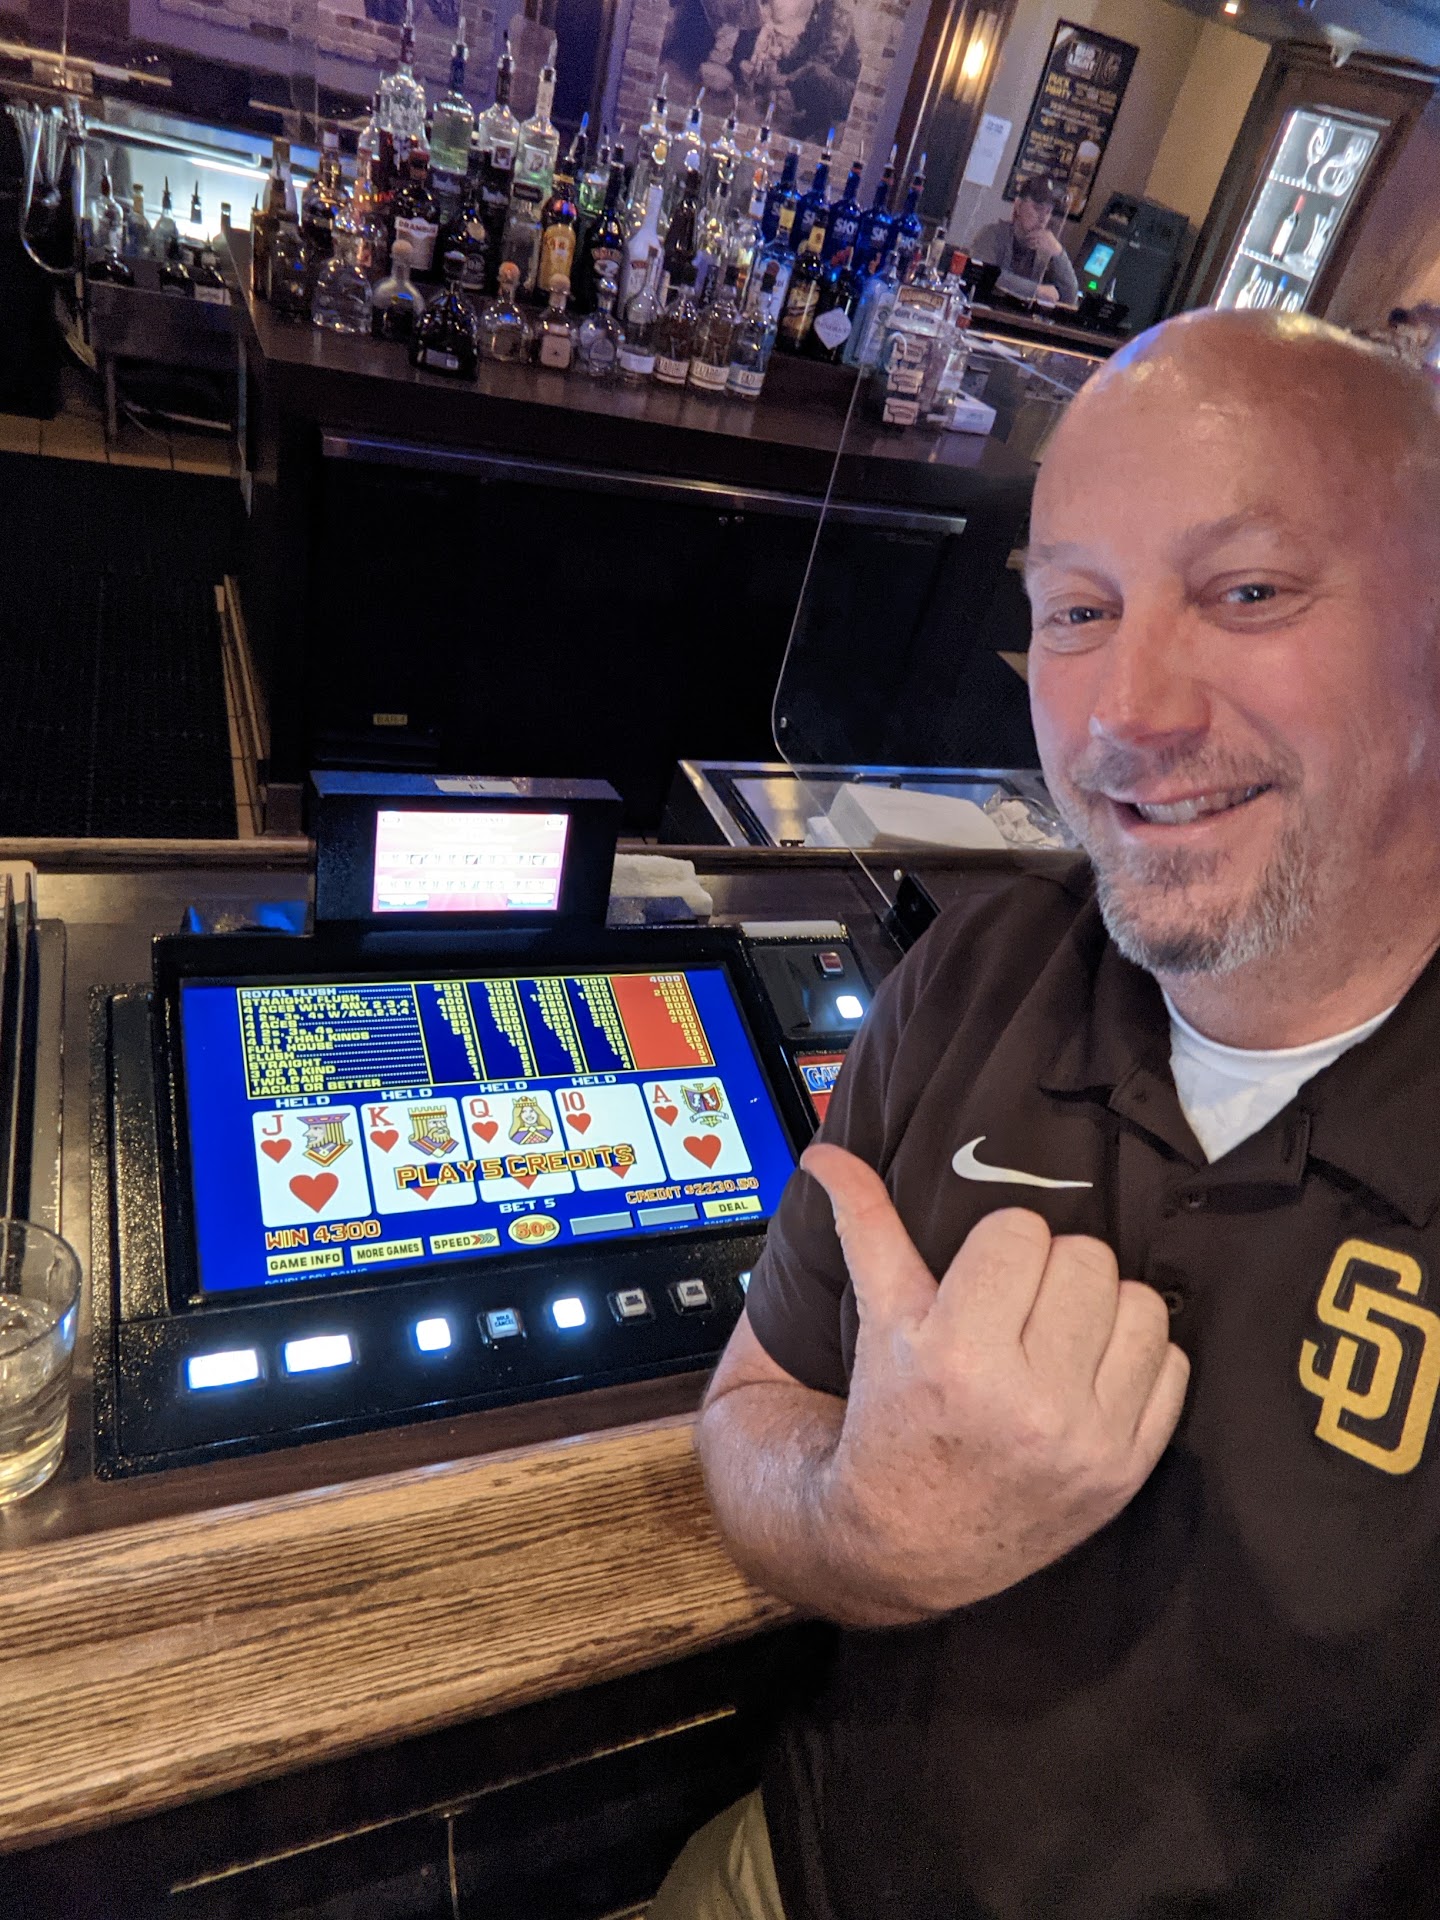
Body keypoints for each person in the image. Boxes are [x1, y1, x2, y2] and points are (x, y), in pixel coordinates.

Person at [649, 309, 1440, 1918]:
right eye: (1078, 608)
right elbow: (757, 1406)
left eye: (1248, 592)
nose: (1126, 710)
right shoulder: (976, 971)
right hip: (799, 1874)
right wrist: (869, 1525)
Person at [970, 175, 1079, 307]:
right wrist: (1036, 290)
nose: (1043, 218)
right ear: (1018, 205)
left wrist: (1059, 253)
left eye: (1048, 211)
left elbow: (1070, 298)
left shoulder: (1046, 250)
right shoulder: (992, 234)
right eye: (1038, 208)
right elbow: (986, 274)